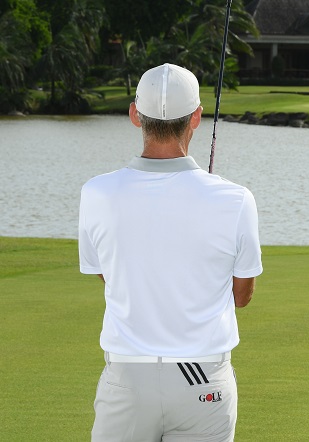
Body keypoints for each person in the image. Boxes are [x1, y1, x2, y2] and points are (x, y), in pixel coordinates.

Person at [79, 63, 263, 442]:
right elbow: (241, 296)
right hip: (203, 380)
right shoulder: (235, 198)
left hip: (126, 380)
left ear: (134, 115)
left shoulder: (95, 193)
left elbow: (108, 275)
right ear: (196, 117)